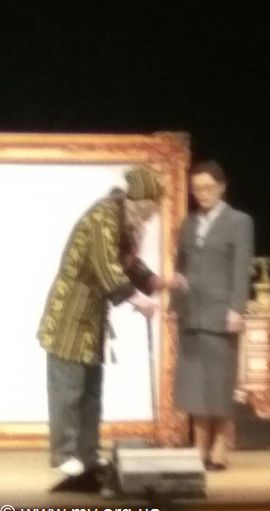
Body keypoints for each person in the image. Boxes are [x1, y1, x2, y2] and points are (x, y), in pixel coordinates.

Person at [37, 165, 174, 482]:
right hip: (69, 315)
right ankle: (64, 454)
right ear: (139, 201)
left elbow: (129, 262)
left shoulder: (122, 221)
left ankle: (88, 453)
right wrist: (138, 300)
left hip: (93, 316)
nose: (152, 215)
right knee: (68, 390)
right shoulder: (104, 217)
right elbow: (107, 266)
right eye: (151, 208)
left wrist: (155, 282)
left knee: (91, 391)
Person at [171, 160, 254, 471]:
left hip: (221, 312)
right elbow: (180, 266)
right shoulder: (188, 223)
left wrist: (237, 308)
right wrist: (174, 305)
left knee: (219, 381)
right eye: (197, 189)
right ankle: (199, 444)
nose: (202, 194)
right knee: (194, 383)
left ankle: (221, 444)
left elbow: (241, 267)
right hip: (191, 311)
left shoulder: (239, 221)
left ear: (221, 187)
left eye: (207, 188)